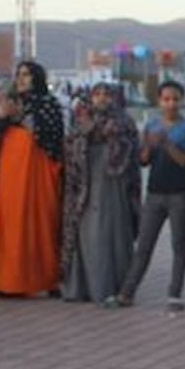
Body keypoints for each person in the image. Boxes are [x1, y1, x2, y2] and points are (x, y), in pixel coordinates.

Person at [106, 80, 185, 312]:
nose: (171, 103)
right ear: (159, 101)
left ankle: (174, 294)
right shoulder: (152, 124)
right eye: (166, 99)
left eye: (175, 99)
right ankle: (127, 292)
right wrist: (147, 144)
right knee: (144, 245)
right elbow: (144, 160)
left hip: (181, 194)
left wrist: (166, 142)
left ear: (181, 100)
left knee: (179, 244)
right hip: (155, 194)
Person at [0, 60, 66, 297]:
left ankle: (45, 279)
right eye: (19, 74)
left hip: (37, 171)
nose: (21, 79)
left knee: (40, 222)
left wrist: (20, 116)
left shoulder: (47, 104)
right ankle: (10, 282)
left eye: (26, 75)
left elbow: (52, 138)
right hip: (12, 171)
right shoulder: (10, 101)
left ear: (37, 78)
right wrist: (3, 117)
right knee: (11, 222)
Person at [60, 82, 141, 304]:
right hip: (84, 190)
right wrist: (88, 132)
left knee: (111, 235)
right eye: (97, 94)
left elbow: (130, 154)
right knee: (86, 236)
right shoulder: (79, 121)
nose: (102, 98)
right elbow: (69, 149)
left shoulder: (124, 122)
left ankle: (111, 287)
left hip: (113, 187)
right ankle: (81, 287)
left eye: (107, 94)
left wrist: (105, 134)